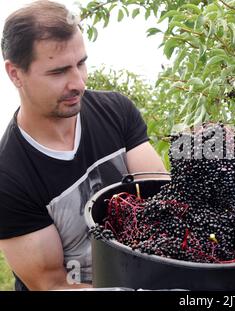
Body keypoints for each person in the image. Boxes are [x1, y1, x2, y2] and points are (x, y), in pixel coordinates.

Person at [0, 0, 167, 290]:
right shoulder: (8, 177)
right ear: (15, 73)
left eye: (81, 63)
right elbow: (52, 284)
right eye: (58, 72)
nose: (78, 82)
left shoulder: (116, 111)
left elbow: (161, 200)